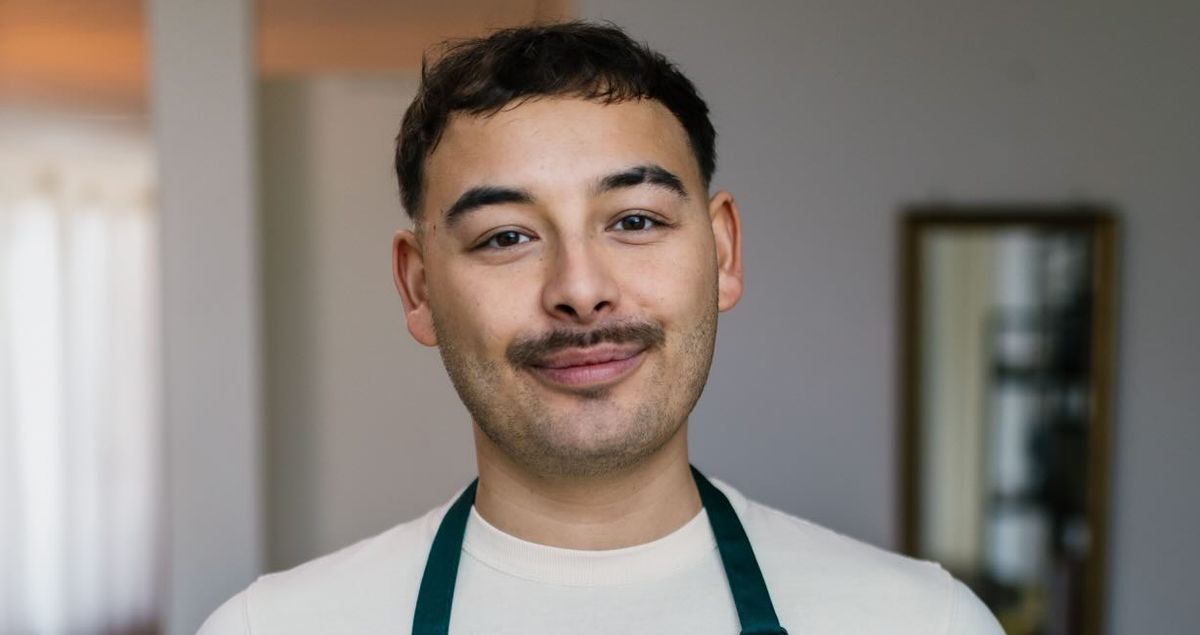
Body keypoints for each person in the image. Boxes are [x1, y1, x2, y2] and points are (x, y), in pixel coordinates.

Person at [199, 21, 1002, 634]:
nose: (580, 291)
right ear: (418, 288)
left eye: (636, 220)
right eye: (507, 236)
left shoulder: (923, 621)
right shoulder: (273, 626)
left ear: (722, 253)